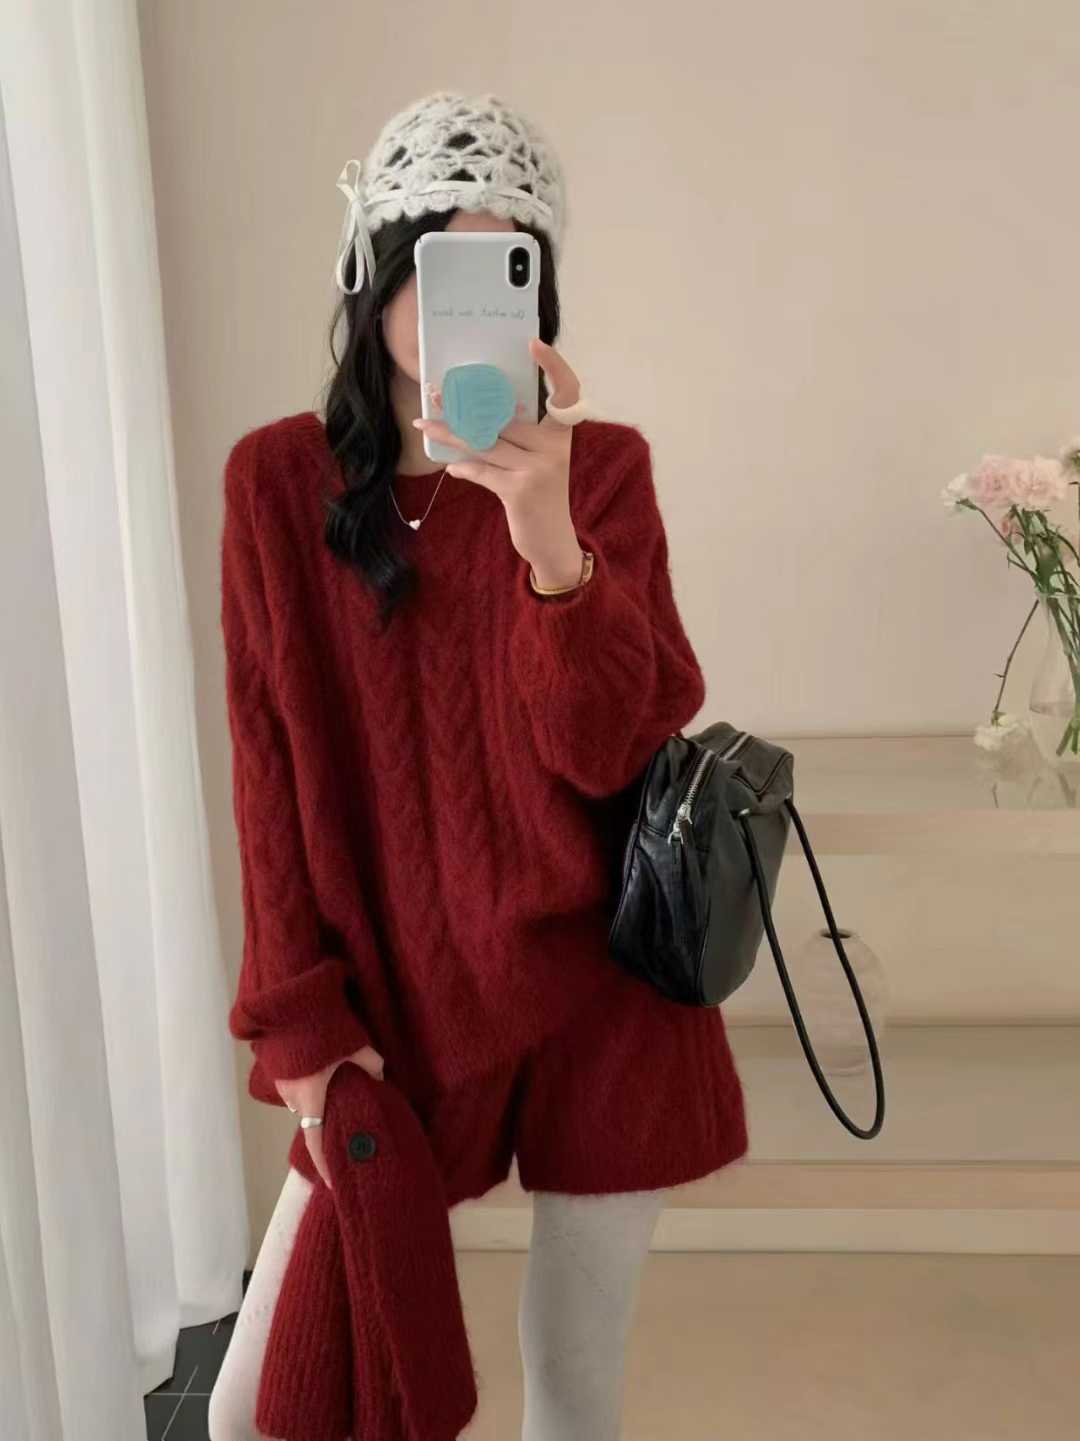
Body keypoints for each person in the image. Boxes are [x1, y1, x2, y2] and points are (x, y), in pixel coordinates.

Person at [209, 90, 749, 1441]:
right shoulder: (276, 486)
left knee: (571, 1397)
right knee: (255, 1409)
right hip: (395, 1007)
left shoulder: (597, 471)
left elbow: (610, 753)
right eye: (435, 259)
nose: (462, 301)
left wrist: (549, 540)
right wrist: (300, 1025)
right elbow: (266, 769)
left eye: (505, 263)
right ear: (374, 269)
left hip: (601, 993)